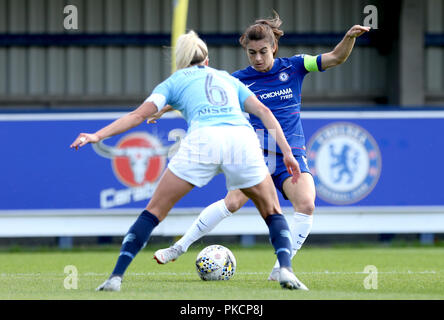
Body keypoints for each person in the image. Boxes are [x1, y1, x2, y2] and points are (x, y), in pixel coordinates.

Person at [70, 30, 308, 291]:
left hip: (204, 140)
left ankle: (115, 277)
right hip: (241, 138)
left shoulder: (174, 81)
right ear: (206, 60)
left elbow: (138, 115)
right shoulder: (227, 78)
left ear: (180, 61)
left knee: (154, 211)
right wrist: (286, 152)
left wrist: (97, 135)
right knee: (272, 211)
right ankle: (285, 270)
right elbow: (263, 111)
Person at [152, 12, 370, 281]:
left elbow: (336, 57)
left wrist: (349, 38)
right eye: (251, 52)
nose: (257, 58)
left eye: (262, 52)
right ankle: (178, 247)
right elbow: (200, 90)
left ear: (274, 47)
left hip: (291, 153)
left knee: (307, 204)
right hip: (255, 153)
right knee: (232, 202)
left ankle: (280, 270)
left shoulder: (296, 66)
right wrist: (162, 107)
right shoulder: (238, 79)